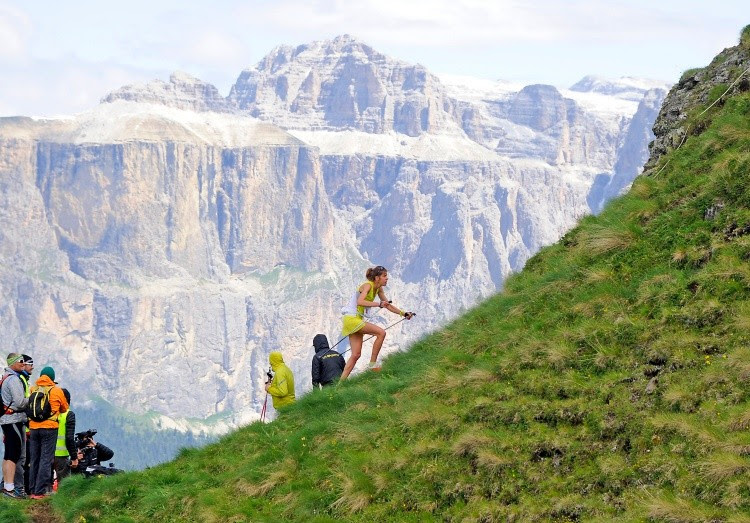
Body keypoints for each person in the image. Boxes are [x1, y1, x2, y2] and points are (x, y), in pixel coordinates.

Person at [339, 266, 413, 380]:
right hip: (352, 319)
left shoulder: (378, 289)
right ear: (377, 278)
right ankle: (372, 365)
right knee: (381, 333)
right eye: (384, 276)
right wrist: (378, 304)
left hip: (355, 320)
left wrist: (403, 313)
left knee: (355, 355)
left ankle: (339, 385)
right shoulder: (368, 285)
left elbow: (387, 304)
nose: (387, 278)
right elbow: (360, 301)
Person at [27, 366, 68, 499]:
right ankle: (40, 492)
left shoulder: (33, 388)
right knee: (46, 459)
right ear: (53, 378)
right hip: (50, 428)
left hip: (33, 428)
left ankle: (32, 490)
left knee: (34, 459)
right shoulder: (56, 391)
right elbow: (64, 408)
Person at [0, 353, 30, 499]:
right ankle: (10, 489)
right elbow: (19, 402)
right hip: (14, 420)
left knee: (8, 455)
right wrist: (32, 398)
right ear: (13, 363)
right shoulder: (13, 379)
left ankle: (6, 486)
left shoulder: (6, 377)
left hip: (6, 420)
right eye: (21, 361)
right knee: (14, 455)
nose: (23, 364)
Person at [14, 354, 33, 497]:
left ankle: (15, 487)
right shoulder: (20, 379)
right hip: (20, 424)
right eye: (30, 364)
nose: (32, 366)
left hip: (22, 424)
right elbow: (21, 403)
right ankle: (17, 488)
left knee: (21, 458)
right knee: (20, 458)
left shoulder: (23, 379)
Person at [54, 389, 78, 484]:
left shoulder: (50, 412)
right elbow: (69, 438)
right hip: (61, 455)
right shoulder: (68, 414)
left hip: (46, 454)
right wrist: (74, 457)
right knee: (64, 485)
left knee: (46, 484)